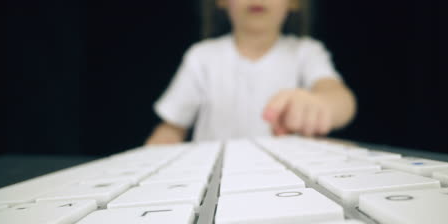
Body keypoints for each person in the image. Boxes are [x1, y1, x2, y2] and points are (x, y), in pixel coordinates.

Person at [146, 0, 356, 144]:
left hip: (288, 181)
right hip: (214, 181)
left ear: (294, 2)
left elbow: (339, 97)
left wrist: (321, 105)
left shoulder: (306, 52)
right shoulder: (201, 56)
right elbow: (172, 128)